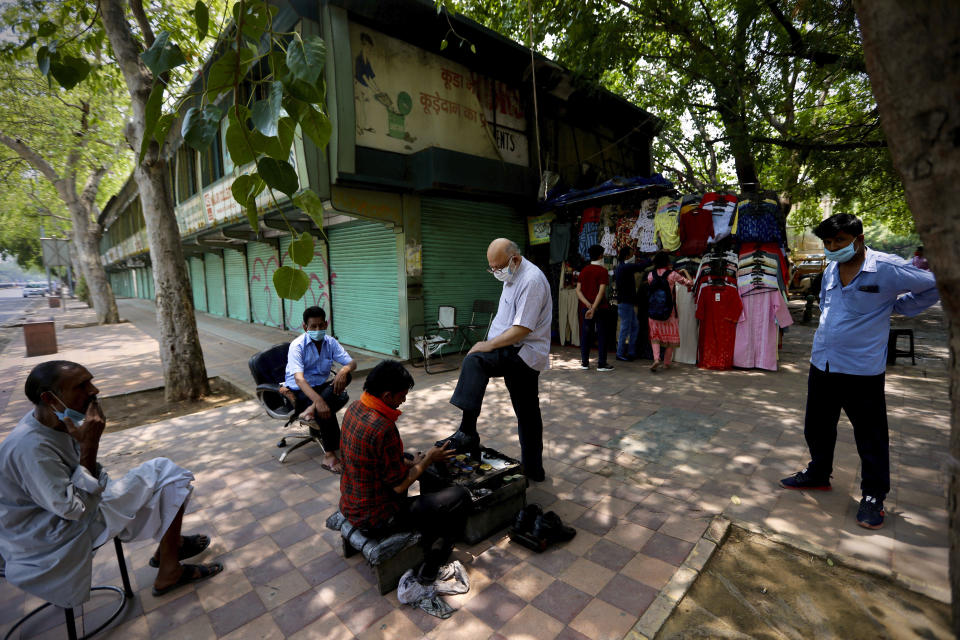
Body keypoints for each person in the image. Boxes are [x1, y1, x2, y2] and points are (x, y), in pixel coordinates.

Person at [0, 361, 223, 609]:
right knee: (169, 475)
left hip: (78, 508)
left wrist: (89, 455)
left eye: (91, 382)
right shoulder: (31, 449)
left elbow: (91, 480)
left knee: (164, 473)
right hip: (56, 535)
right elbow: (75, 510)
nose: (94, 391)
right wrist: (89, 446)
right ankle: (170, 563)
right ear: (49, 398)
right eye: (82, 386)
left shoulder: (52, 421)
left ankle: (169, 550)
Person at [780, 214, 938, 529]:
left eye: (839, 241)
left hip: (861, 370)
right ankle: (818, 473)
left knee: (870, 436)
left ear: (859, 238)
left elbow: (933, 285)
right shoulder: (830, 271)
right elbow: (827, 304)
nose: (833, 247)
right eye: (828, 243)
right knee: (817, 426)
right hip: (822, 361)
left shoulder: (886, 268)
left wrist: (898, 307)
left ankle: (873, 496)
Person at [339, 360, 468, 583]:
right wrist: (427, 460)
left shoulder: (355, 408)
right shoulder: (383, 427)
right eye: (402, 395)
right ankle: (433, 561)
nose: (404, 400)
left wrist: (414, 463)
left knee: (409, 458)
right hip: (377, 519)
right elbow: (399, 486)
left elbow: (375, 459)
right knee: (461, 496)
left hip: (352, 503)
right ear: (387, 395)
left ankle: (427, 514)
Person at [437, 238, 552, 481]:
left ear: (516, 259)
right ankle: (533, 470)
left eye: (499, 267)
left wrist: (487, 344)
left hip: (524, 353)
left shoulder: (531, 280)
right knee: (528, 413)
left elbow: (522, 329)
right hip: (512, 349)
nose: (496, 272)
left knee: (476, 361)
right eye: (492, 268)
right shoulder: (512, 275)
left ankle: (468, 431)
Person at [285, 306, 357, 473]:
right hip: (300, 390)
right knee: (325, 407)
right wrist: (318, 401)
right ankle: (329, 455)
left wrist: (343, 371)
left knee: (348, 376)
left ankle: (311, 409)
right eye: (313, 327)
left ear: (325, 324)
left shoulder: (330, 342)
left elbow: (352, 363)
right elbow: (299, 379)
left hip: (320, 386)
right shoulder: (297, 346)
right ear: (305, 327)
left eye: (320, 325)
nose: (317, 329)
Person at [646, 252, 693, 371]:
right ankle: (667, 362)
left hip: (654, 310)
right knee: (671, 337)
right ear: (667, 262)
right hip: (669, 311)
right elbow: (690, 283)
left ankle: (656, 359)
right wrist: (685, 272)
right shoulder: (673, 275)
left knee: (655, 335)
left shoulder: (651, 275)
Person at [577, 244, 614, 371]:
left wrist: (588, 305)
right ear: (601, 255)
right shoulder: (603, 271)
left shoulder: (584, 270)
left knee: (586, 334)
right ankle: (601, 364)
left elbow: (578, 291)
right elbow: (601, 292)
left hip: (585, 306)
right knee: (602, 334)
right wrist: (594, 307)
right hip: (601, 307)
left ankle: (585, 363)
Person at [613, 246, 650, 361]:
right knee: (626, 328)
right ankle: (620, 353)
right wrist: (652, 258)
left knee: (634, 327)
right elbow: (641, 266)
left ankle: (631, 352)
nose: (633, 256)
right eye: (631, 254)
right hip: (626, 303)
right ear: (627, 256)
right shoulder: (625, 267)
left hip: (626, 302)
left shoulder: (621, 267)